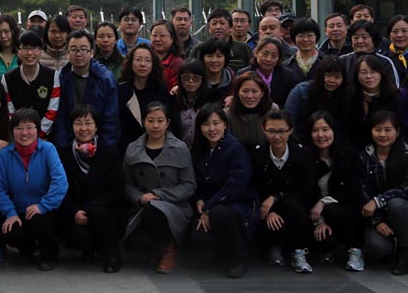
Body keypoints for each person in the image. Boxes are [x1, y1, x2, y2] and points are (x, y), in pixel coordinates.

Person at [123, 102, 196, 274]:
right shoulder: (132, 149)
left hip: (174, 206)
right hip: (141, 206)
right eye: (150, 120)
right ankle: (156, 245)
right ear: (144, 121)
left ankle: (169, 248)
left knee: (154, 209)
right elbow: (126, 183)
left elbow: (189, 185)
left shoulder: (180, 148)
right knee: (135, 239)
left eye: (160, 120)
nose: (155, 125)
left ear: (167, 123)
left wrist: (158, 195)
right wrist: (139, 197)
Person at [0, 109, 68, 270]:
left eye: (29, 127)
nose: (24, 132)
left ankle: (49, 254)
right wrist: (10, 212)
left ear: (37, 130)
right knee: (9, 231)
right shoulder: (5, 155)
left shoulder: (48, 149)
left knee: (40, 222)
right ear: (12, 131)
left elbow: (60, 182)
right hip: (18, 210)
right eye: (18, 128)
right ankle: (28, 249)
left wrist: (43, 206)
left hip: (46, 209)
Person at [56, 104, 126, 272]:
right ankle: (88, 249)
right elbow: (59, 189)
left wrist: (90, 207)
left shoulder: (110, 152)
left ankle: (112, 254)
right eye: (78, 123)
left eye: (88, 123)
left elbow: (117, 190)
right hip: (75, 213)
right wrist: (74, 211)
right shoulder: (62, 154)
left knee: (100, 214)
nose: (83, 128)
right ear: (72, 126)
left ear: (96, 126)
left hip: (104, 211)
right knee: (79, 235)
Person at [191, 103, 257, 278]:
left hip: (238, 203)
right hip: (211, 203)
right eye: (206, 124)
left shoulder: (235, 148)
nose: (212, 129)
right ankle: (222, 250)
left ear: (225, 124)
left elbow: (235, 187)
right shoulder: (199, 148)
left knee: (219, 214)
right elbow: (195, 182)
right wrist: (199, 199)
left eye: (216, 123)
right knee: (197, 236)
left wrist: (208, 208)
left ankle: (239, 256)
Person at [358, 111, 408, 275]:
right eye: (378, 129)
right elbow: (362, 191)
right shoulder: (364, 157)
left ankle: (405, 252)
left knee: (396, 203)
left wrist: (379, 200)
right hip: (379, 217)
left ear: (397, 132)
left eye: (388, 130)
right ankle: (392, 247)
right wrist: (377, 221)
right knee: (376, 248)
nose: (382, 134)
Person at [250, 108, 317, 273]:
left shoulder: (303, 154)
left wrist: (276, 197)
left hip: (295, 205)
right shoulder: (256, 154)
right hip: (266, 209)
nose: (276, 136)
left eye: (281, 131)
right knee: (271, 224)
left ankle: (299, 252)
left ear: (290, 130)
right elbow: (252, 187)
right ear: (263, 130)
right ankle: (274, 247)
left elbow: (307, 191)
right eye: (271, 131)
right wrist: (270, 210)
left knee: (292, 206)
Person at [308, 111, 366, 271]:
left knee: (332, 210)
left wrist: (323, 202)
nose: (320, 135)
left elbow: (352, 190)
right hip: (316, 215)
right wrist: (320, 221)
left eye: (325, 129)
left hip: (346, 210)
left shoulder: (349, 155)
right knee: (324, 240)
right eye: (315, 130)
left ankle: (355, 251)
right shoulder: (306, 157)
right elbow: (306, 191)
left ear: (334, 130)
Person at [50, 29, 119, 149]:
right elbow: (60, 118)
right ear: (67, 53)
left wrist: (104, 149)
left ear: (91, 53)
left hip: (100, 143)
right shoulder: (61, 78)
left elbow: (111, 119)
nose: (78, 54)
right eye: (73, 49)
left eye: (83, 49)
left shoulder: (105, 79)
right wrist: (65, 148)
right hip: (70, 143)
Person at [2, 30, 58, 134]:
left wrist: (39, 133)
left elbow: (53, 109)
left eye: (34, 48)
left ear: (40, 51)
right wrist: (21, 132)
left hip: (46, 136)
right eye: (25, 48)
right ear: (18, 51)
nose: (30, 53)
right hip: (19, 135)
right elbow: (10, 111)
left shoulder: (53, 76)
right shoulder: (7, 79)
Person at [117, 45, 170, 149]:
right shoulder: (121, 90)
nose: (143, 64)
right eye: (138, 60)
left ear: (153, 64)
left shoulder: (161, 90)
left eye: (147, 60)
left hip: (156, 145)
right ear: (131, 63)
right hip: (127, 147)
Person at [345, 54, 401, 150]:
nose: (368, 76)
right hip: (355, 148)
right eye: (363, 72)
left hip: (387, 147)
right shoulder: (350, 97)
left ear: (381, 74)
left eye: (373, 72)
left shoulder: (393, 97)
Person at [284, 56, 349, 136]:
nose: (332, 80)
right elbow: (288, 122)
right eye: (328, 75)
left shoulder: (347, 95)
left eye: (337, 77)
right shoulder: (301, 91)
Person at [238, 37, 301, 108]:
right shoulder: (243, 73)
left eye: (274, 56)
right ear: (256, 53)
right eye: (265, 54)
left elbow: (289, 104)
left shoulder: (287, 75)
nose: (268, 59)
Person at [341, 19, 401, 86]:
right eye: (355, 37)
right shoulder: (343, 60)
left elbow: (393, 87)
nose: (360, 41)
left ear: (374, 39)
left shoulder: (385, 62)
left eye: (364, 37)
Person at [172, 59, 210, 148]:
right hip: (178, 149)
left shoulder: (210, 99)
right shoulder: (172, 99)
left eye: (196, 78)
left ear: (202, 79)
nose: (191, 81)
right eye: (186, 77)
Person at [226, 72, 271, 146]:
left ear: (262, 93)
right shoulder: (228, 115)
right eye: (245, 91)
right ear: (238, 92)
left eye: (254, 91)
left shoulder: (272, 110)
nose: (249, 96)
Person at [149, 20, 184, 90]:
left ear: (172, 38)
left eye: (162, 36)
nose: (157, 39)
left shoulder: (177, 63)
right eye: (154, 35)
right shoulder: (145, 58)